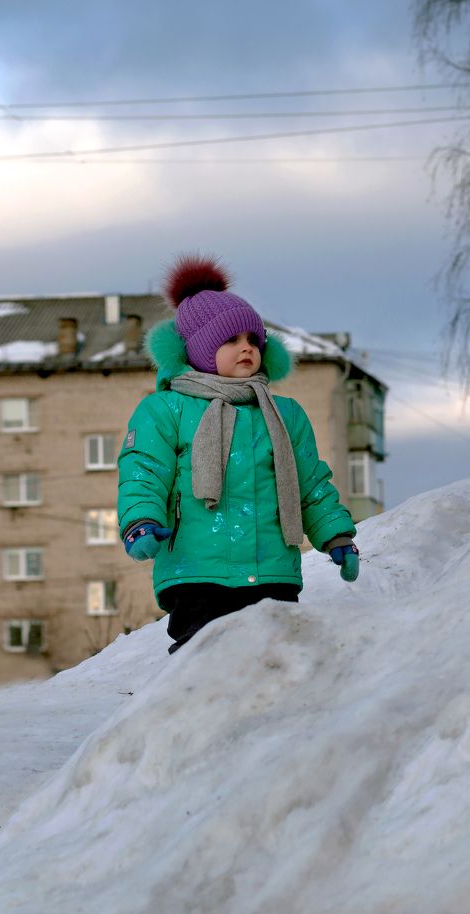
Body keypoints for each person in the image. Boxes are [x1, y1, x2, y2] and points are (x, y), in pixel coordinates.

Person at [118, 255, 360, 654]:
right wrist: (140, 521)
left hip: (272, 568)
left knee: (274, 658)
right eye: (230, 340)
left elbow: (310, 481)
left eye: (252, 340)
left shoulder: (284, 414)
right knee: (204, 658)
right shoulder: (166, 410)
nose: (245, 348)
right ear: (196, 349)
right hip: (198, 569)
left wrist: (336, 535)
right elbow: (144, 470)